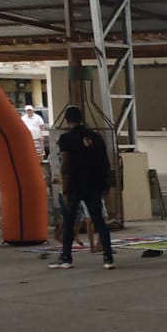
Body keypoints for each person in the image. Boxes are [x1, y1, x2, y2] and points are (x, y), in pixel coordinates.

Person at [49, 106, 115, 270]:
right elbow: (105, 163)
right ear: (81, 118)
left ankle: (66, 257)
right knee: (99, 221)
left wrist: (65, 190)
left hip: (75, 185)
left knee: (69, 221)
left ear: (67, 120)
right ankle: (108, 258)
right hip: (94, 184)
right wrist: (106, 185)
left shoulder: (66, 138)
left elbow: (65, 164)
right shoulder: (96, 137)